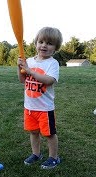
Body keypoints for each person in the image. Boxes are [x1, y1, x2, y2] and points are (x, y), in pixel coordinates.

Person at [17, 27, 62, 169]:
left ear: (55, 48)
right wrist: (20, 68)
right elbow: (22, 80)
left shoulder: (52, 63)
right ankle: (36, 154)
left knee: (49, 134)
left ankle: (54, 157)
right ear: (36, 43)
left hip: (44, 108)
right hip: (29, 107)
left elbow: (48, 80)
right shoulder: (29, 60)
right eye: (41, 41)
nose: (44, 45)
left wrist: (29, 70)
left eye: (49, 43)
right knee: (33, 132)